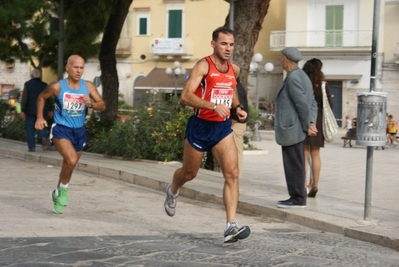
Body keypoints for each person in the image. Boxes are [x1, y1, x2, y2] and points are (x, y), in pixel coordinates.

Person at [163, 27, 250, 243]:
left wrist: (237, 106)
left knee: (232, 174)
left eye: (231, 44)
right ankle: (173, 189)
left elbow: (231, 88)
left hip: (221, 128)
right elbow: (185, 96)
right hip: (200, 127)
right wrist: (212, 106)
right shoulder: (203, 66)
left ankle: (231, 226)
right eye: (223, 44)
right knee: (189, 173)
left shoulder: (234, 69)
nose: (228, 48)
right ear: (214, 44)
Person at [35, 55, 106, 214]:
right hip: (61, 129)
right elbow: (41, 97)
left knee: (70, 164)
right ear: (68, 68)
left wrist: (91, 104)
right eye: (75, 67)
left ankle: (57, 192)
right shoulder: (57, 87)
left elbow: (102, 105)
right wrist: (40, 117)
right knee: (71, 159)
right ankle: (64, 191)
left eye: (81, 67)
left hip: (79, 131)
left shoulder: (87, 86)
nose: (79, 71)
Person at [274, 47, 318, 208]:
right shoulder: (302, 76)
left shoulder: (293, 78)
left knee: (293, 164)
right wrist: (311, 122)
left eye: (281, 59)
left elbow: (302, 104)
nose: (280, 62)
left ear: (285, 60)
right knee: (297, 163)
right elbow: (312, 102)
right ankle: (297, 197)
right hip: (297, 127)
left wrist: (308, 125)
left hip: (292, 128)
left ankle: (298, 198)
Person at [302, 58, 332, 198]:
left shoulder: (303, 83)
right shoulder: (323, 85)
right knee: (315, 155)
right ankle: (314, 185)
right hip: (318, 122)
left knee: (304, 155)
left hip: (304, 120)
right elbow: (329, 105)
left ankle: (303, 186)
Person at [20, 69, 53, 152]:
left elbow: (25, 98)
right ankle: (42, 136)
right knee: (41, 124)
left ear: (31, 76)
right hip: (43, 109)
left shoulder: (27, 84)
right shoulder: (45, 85)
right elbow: (49, 98)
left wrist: (22, 110)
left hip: (30, 110)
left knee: (30, 128)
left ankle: (31, 147)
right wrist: (50, 109)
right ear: (39, 76)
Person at [231, 80, 249, 179]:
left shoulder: (236, 87)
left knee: (236, 152)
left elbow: (240, 106)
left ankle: (236, 177)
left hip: (236, 124)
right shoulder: (238, 86)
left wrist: (232, 121)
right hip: (236, 123)